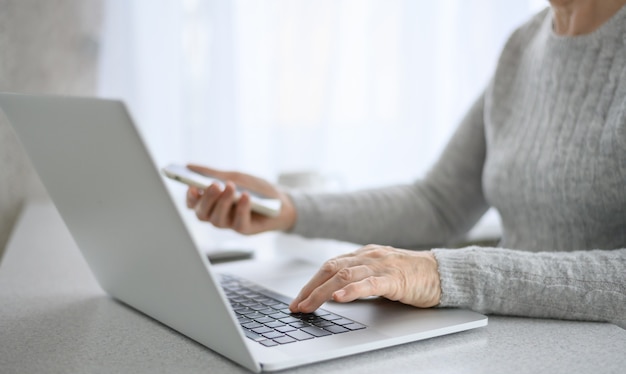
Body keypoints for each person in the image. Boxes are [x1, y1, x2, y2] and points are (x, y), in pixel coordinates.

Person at [186, 0, 626, 328]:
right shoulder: (524, 45)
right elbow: (438, 204)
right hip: (512, 340)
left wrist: (441, 273)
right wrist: (291, 209)